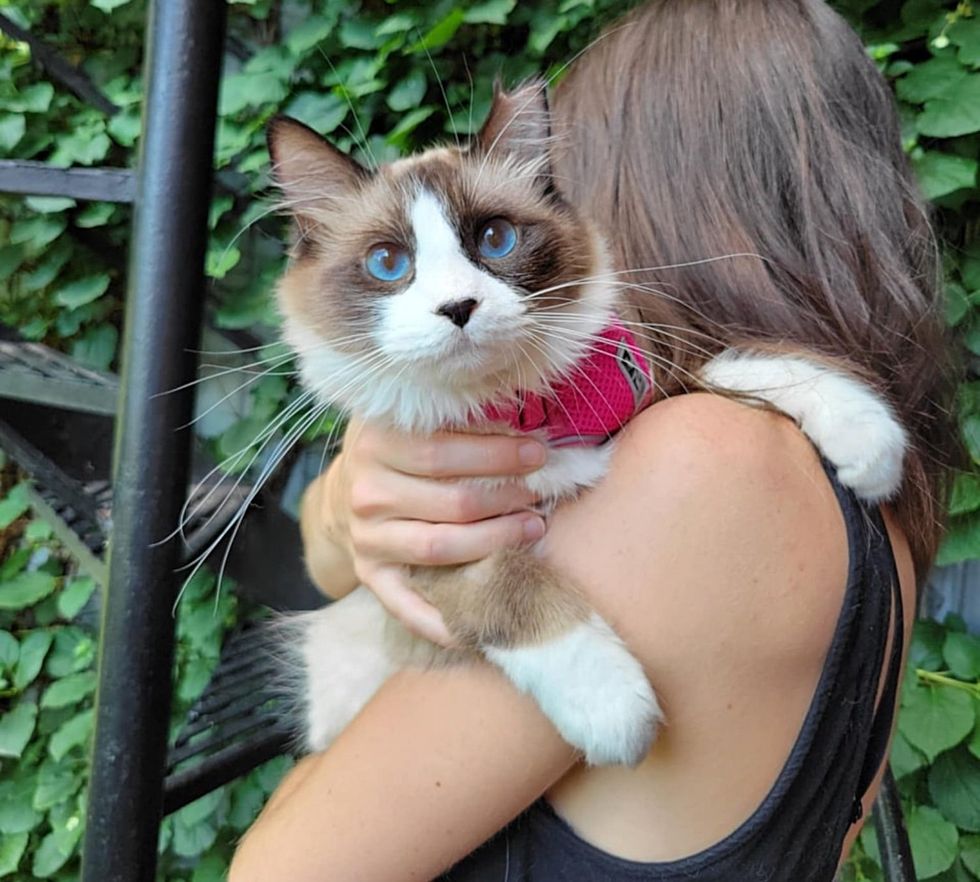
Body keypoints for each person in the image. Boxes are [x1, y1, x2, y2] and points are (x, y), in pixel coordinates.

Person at [230, 1, 955, 879]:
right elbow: (340, 550)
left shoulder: (703, 465)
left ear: (633, 192)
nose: (456, 293)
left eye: (505, 229)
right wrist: (346, 511)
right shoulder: (865, 488)